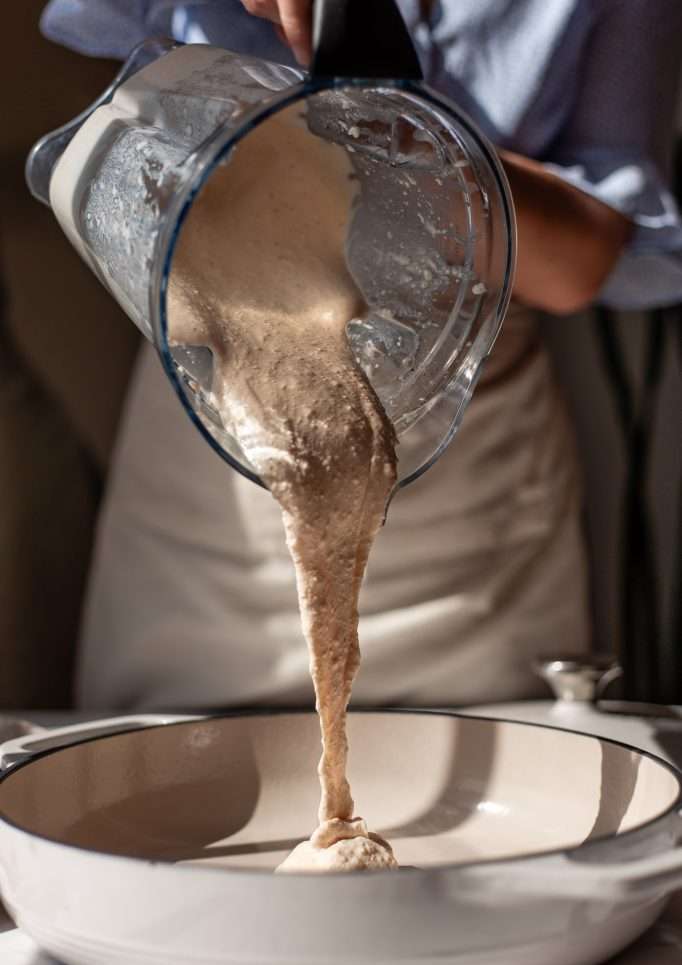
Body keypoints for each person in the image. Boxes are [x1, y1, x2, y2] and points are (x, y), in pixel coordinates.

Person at [40, 0, 682, 710]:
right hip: (212, 469)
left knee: (498, 787)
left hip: (472, 498)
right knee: (169, 789)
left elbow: (579, 261)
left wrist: (394, 141)